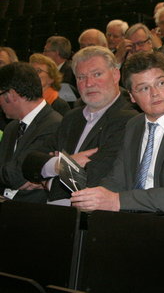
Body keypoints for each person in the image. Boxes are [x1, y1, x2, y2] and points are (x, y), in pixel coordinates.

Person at [70, 52, 164, 213]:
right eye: (144, 88)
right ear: (131, 96)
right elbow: (117, 178)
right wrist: (95, 198)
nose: (154, 93)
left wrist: (118, 201)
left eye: (161, 83)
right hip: (132, 219)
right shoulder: (134, 125)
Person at [22, 47, 138, 204]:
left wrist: (47, 181)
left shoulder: (129, 119)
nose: (89, 83)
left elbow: (93, 180)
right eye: (81, 77)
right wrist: (61, 164)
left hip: (94, 219)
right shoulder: (72, 117)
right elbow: (29, 161)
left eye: (97, 74)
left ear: (116, 75)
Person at [0, 62, 62, 203]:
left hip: (33, 213)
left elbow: (14, 175)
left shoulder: (54, 125)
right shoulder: (12, 127)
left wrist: (13, 177)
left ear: (11, 95)